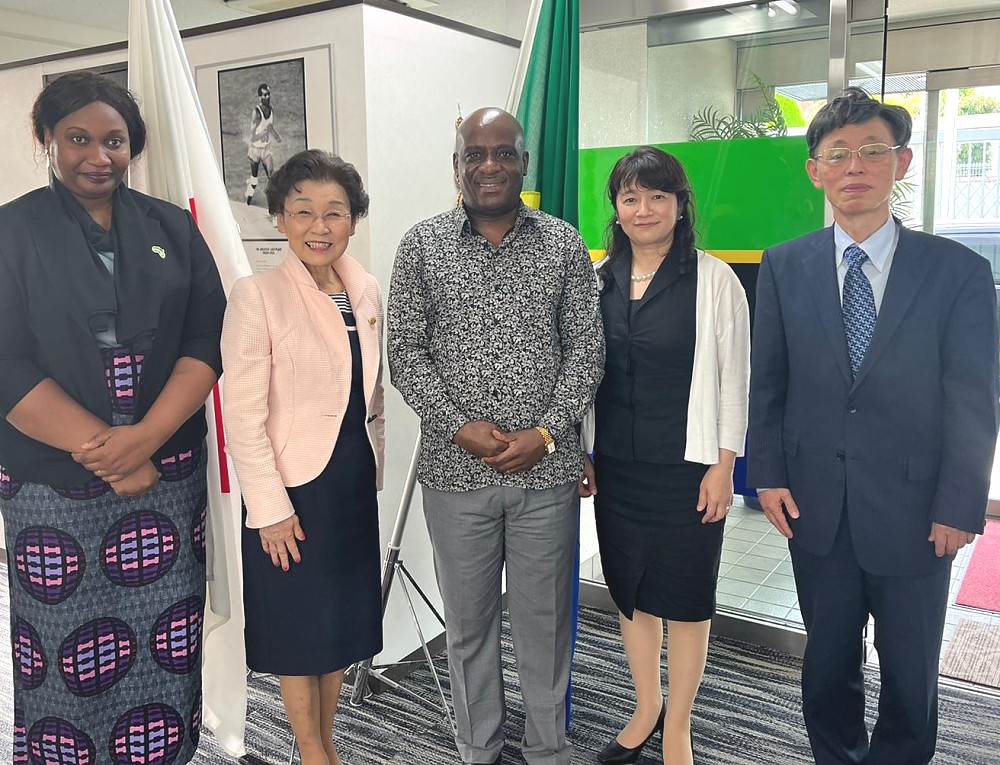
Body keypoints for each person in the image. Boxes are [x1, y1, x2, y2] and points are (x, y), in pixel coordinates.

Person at [747, 87, 999, 765]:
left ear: (902, 161)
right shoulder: (783, 264)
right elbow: (767, 381)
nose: (853, 165)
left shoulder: (959, 273)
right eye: (837, 153)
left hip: (921, 512)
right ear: (815, 169)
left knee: (911, 672)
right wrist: (766, 474)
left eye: (871, 151)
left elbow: (974, 400)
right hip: (815, 506)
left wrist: (960, 506)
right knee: (826, 662)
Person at [0, 72, 225, 764]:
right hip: (53, 478)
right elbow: (6, 359)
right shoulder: (11, 230)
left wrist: (145, 440)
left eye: (114, 141)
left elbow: (205, 337)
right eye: (78, 138)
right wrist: (107, 450)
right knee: (66, 645)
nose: (98, 156)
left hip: (167, 469)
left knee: (166, 636)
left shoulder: (170, 225)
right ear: (46, 140)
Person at [387, 107, 604, 765]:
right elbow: (403, 350)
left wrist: (546, 431)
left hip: (546, 474)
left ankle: (547, 747)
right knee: (470, 624)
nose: (489, 165)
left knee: (544, 624)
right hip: (456, 478)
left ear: (522, 163)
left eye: (503, 152)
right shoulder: (420, 244)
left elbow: (587, 347)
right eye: (475, 153)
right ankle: (477, 746)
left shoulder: (564, 243)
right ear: (457, 165)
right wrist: (458, 428)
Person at [580, 147, 750, 765]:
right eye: (630, 197)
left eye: (657, 196)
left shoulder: (714, 280)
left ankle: (678, 723)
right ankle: (645, 704)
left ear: (680, 206)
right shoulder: (595, 279)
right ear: (616, 210)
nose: (643, 209)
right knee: (631, 590)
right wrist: (580, 449)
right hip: (618, 471)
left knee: (684, 598)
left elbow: (735, 381)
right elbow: (579, 374)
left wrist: (724, 465)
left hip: (689, 471)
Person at [221, 149, 384, 765]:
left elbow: (370, 394)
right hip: (291, 489)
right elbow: (242, 414)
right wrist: (268, 508)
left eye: (335, 213)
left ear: (353, 219)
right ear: (281, 219)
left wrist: (375, 468)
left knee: (339, 624)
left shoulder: (364, 287)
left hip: (348, 480)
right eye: (304, 212)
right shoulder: (257, 295)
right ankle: (311, 750)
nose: (320, 226)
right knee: (298, 628)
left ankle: (329, 740)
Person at [246, 83, 281, 205]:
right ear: (260, 97)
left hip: (266, 149)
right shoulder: (256, 112)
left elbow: (269, 126)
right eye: (264, 95)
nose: (267, 97)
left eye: (268, 94)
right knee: (254, 181)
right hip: (255, 150)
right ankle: (247, 204)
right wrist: (264, 133)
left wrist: (276, 136)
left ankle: (274, 210)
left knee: (273, 180)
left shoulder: (271, 109)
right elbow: (253, 137)